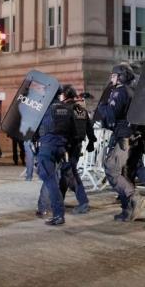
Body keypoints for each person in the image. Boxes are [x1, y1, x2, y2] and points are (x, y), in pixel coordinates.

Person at [97, 64, 142, 222]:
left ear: (122, 76)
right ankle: (127, 210)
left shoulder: (120, 91)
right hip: (131, 135)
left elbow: (111, 115)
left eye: (114, 75)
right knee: (122, 172)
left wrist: (102, 106)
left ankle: (133, 197)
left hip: (121, 135)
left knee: (112, 169)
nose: (112, 78)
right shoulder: (133, 91)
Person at [36, 87, 75, 226]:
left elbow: (35, 128)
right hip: (61, 148)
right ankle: (57, 212)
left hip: (47, 147)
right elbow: (72, 130)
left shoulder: (44, 109)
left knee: (50, 181)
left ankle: (58, 214)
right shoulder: (66, 109)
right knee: (54, 180)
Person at [59, 84, 91, 215]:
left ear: (65, 95)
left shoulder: (65, 109)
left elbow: (62, 129)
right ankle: (59, 199)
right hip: (77, 145)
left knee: (70, 173)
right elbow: (89, 126)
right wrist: (92, 141)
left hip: (68, 146)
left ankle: (83, 202)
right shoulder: (81, 109)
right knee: (65, 173)